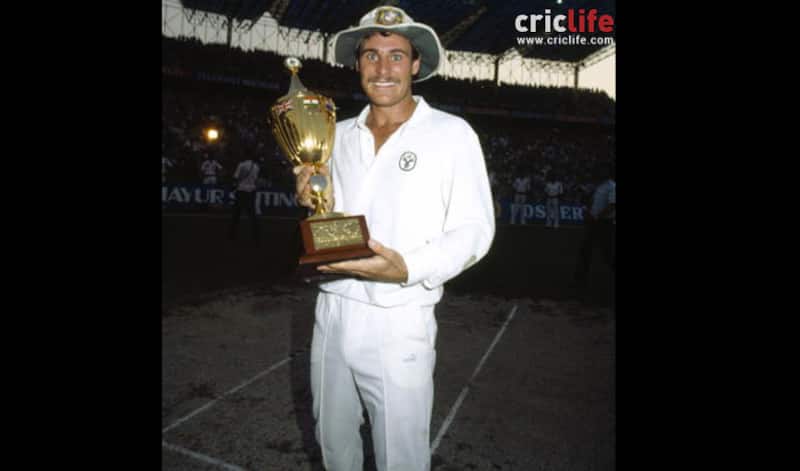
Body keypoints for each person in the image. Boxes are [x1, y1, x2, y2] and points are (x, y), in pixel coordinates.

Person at [292, 6, 495, 470]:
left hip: (400, 318)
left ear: (416, 64)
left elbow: (475, 228)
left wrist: (407, 267)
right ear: (357, 63)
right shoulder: (333, 134)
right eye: (371, 56)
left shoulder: (451, 133)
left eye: (397, 56)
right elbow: (332, 218)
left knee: (400, 457)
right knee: (332, 442)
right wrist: (309, 195)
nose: (383, 69)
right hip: (333, 308)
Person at [573, 164, 615, 289]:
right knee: (585, 249)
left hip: (604, 223)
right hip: (594, 222)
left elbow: (612, 206)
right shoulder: (599, 186)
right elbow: (591, 199)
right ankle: (580, 277)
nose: (599, 173)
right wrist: (588, 210)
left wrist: (596, 215)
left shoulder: (612, 186)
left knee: (607, 253)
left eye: (602, 171)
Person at [228, 154, 261, 243]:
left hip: (241, 191)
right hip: (251, 191)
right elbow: (256, 180)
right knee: (252, 215)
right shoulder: (256, 167)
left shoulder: (241, 165)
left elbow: (235, 177)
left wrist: (233, 186)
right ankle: (256, 236)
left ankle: (232, 235)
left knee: (236, 214)